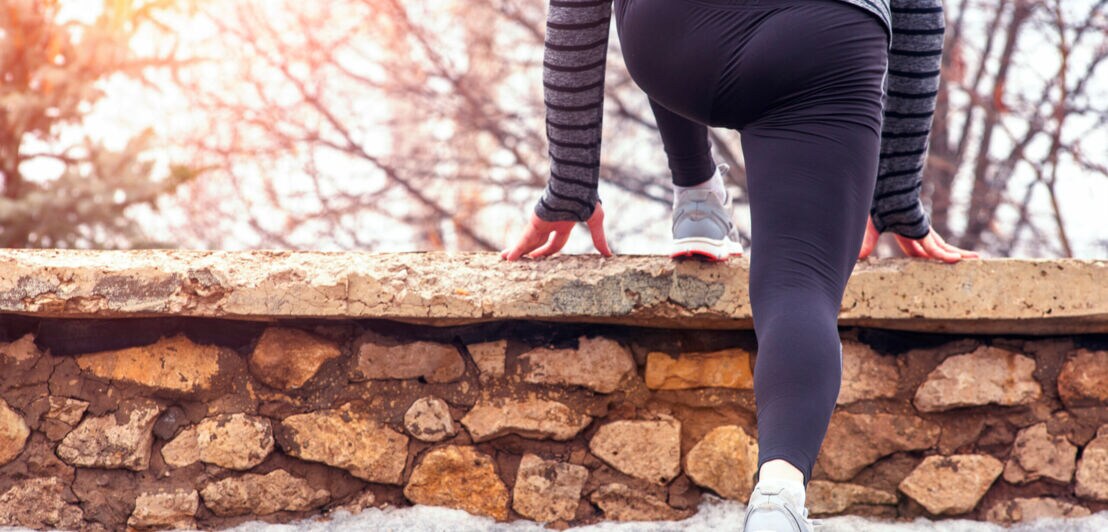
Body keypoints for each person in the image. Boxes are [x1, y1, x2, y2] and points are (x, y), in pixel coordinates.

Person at [503, 0, 979, 530]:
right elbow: (918, 10)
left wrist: (570, 184)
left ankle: (697, 192)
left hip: (673, 37)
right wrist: (893, 193)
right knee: (799, 285)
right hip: (825, 38)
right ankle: (778, 494)